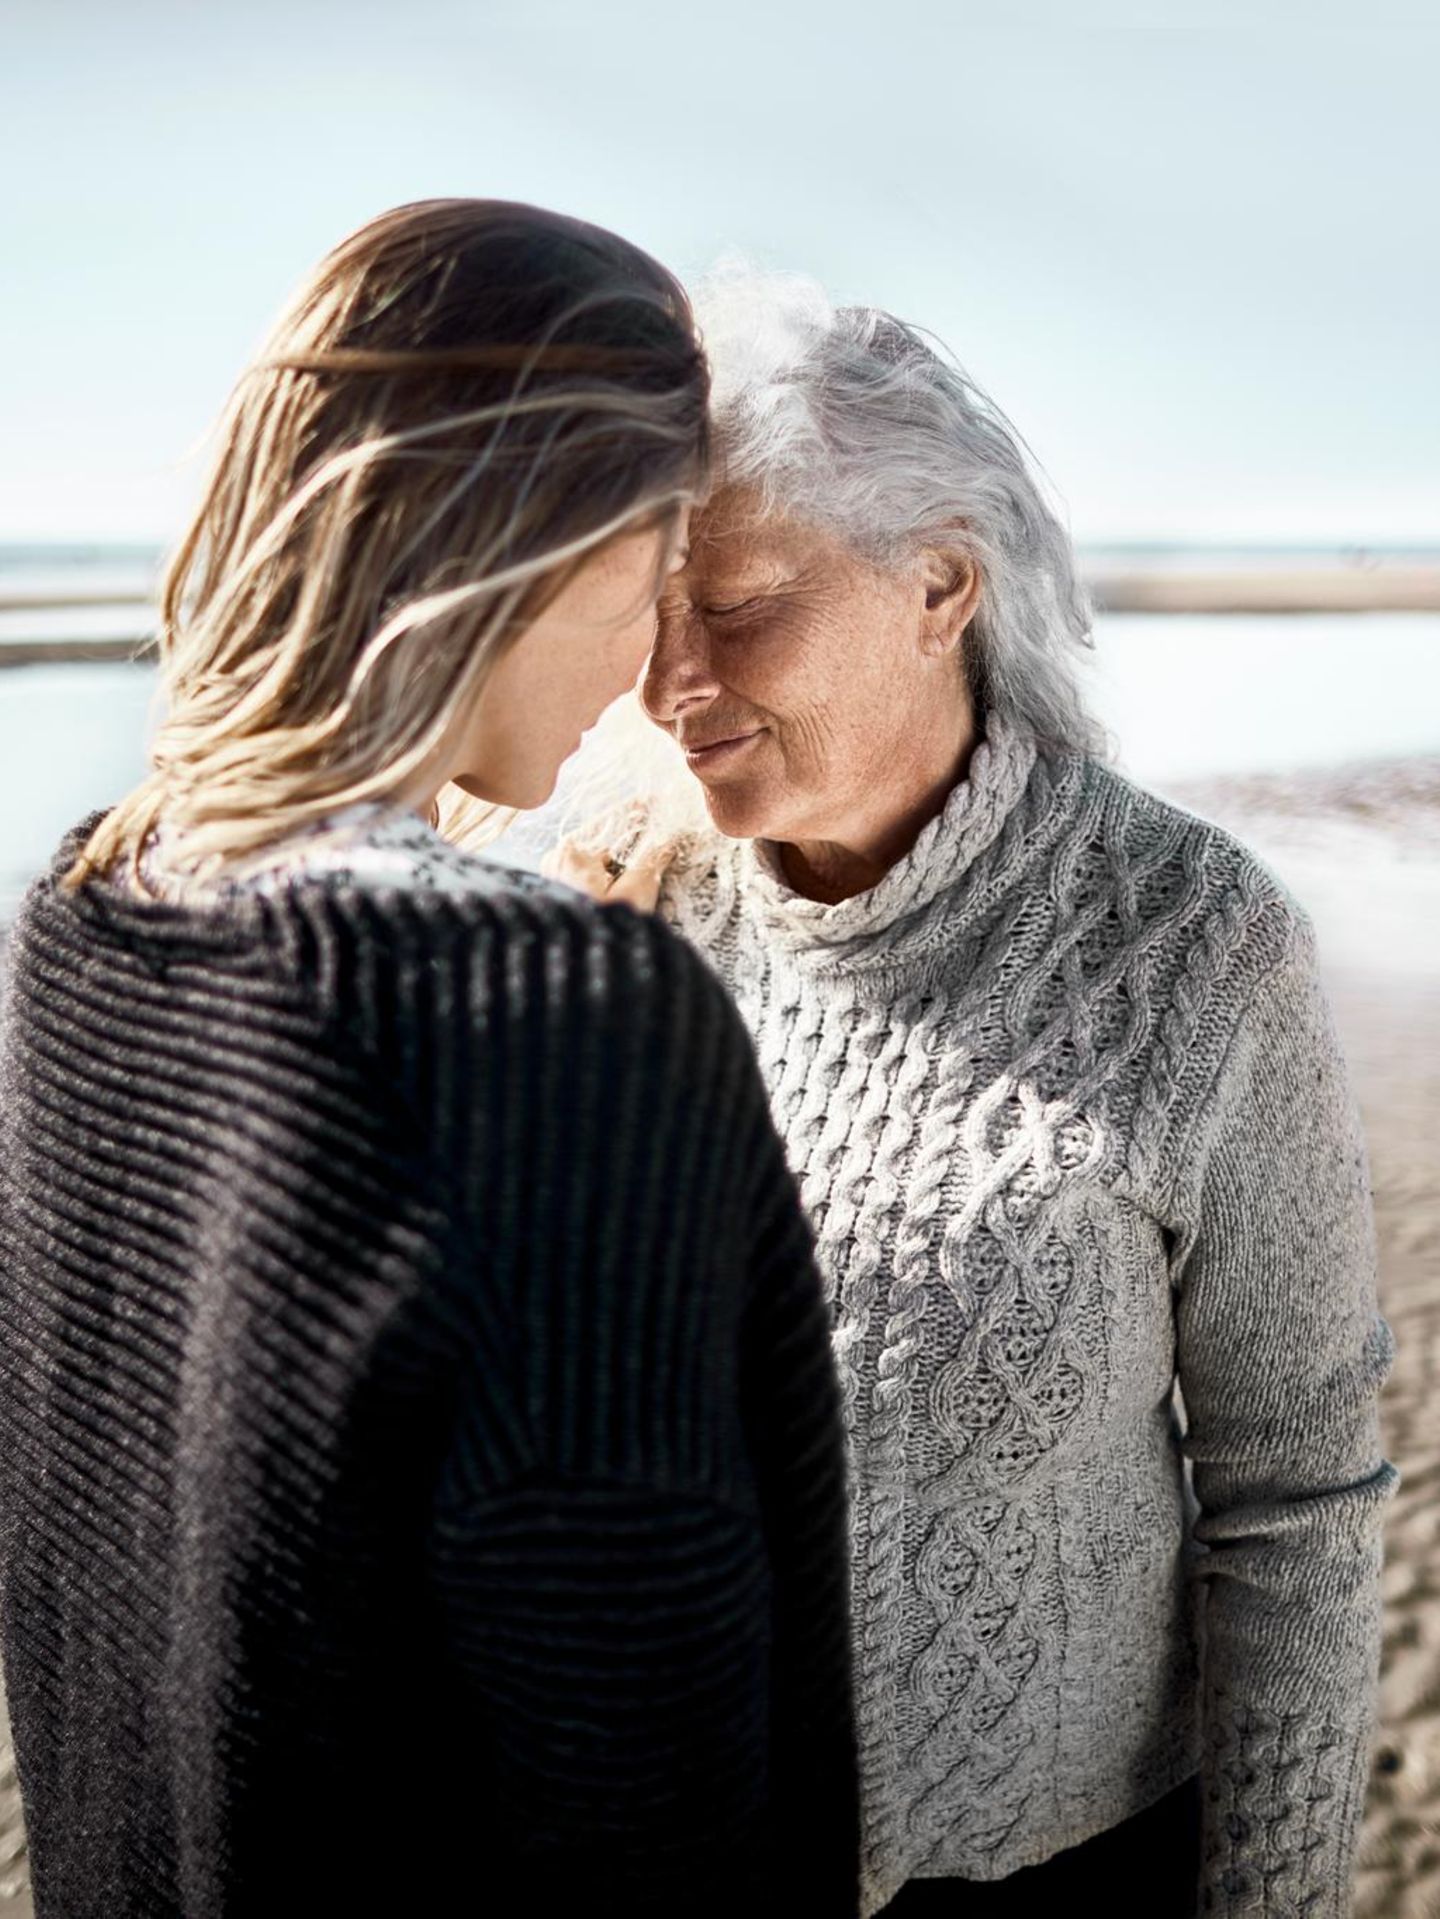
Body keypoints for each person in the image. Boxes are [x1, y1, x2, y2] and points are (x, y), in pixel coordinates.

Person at [0, 205, 859, 1919]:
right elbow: (646, 1784)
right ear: (530, 549)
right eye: (646, 577)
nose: (648, 674)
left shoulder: (85, 919)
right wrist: (585, 1006)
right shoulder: (553, 1018)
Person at [546, 266, 1401, 1917]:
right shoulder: (616, 913)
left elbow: (1296, 1492)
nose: (673, 682)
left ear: (940, 585)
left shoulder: (1192, 946)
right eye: (647, 614)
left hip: (1067, 1870)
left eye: (736, 605)